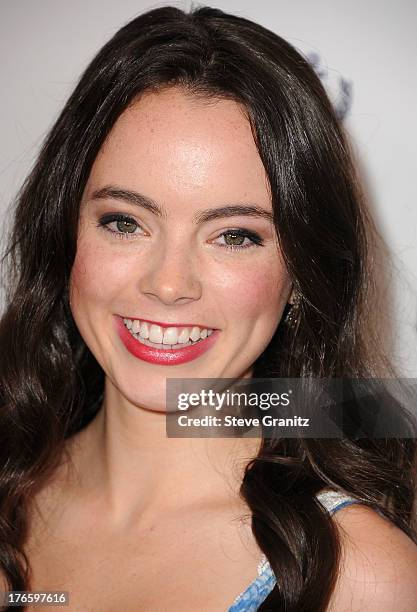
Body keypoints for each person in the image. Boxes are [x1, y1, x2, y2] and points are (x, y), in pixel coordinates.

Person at [0, 5, 416, 611]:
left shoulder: (359, 580)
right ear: (64, 232)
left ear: (302, 271)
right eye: (125, 222)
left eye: (235, 236)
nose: (169, 284)